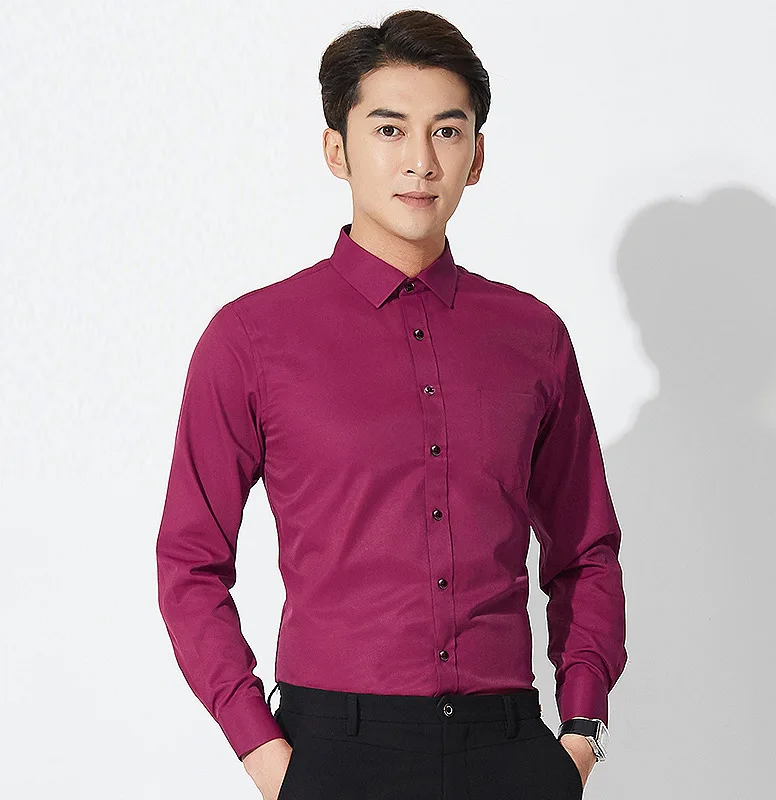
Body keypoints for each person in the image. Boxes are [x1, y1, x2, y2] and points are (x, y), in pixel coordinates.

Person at [156, 9, 627, 799]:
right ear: (336, 150)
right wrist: (266, 756)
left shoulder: (533, 336)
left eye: (447, 131)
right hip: (335, 753)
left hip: (509, 749)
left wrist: (580, 733)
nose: (420, 161)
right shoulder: (251, 338)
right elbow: (189, 564)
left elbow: (586, 551)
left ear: (477, 157)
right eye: (389, 130)